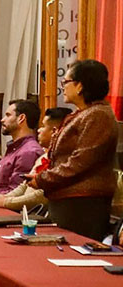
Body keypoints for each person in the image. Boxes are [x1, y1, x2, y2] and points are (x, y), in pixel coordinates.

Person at [31, 60, 119, 240]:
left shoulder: (98, 115)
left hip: (83, 202)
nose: (62, 87)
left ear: (80, 86)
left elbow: (81, 161)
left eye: (66, 82)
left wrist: (44, 179)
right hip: (68, 198)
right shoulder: (84, 113)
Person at [0, 107, 71, 211]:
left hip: (36, 214)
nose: (39, 130)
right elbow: (24, 186)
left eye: (43, 126)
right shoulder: (44, 157)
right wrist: (2, 198)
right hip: (24, 211)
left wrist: (6, 201)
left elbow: (42, 195)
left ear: (55, 131)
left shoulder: (64, 160)